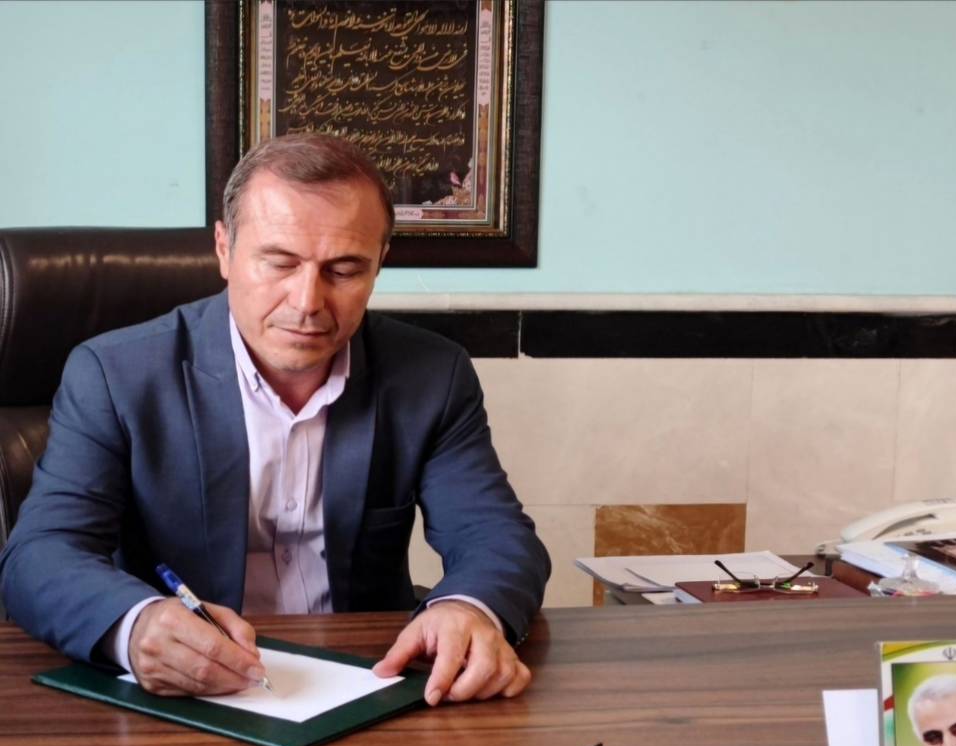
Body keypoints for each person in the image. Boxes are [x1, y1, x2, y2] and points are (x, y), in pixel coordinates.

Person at [0, 133, 550, 707]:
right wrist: (135, 625)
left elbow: (496, 536)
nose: (307, 301)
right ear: (224, 249)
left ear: (379, 264)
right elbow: (40, 556)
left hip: (366, 683)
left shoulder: (432, 375)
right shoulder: (115, 374)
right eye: (280, 262)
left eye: (344, 270)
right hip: (181, 700)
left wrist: (467, 608)